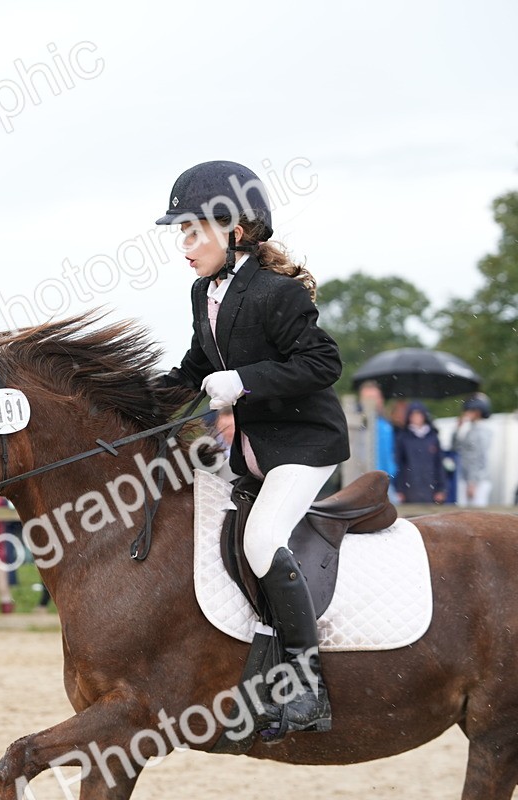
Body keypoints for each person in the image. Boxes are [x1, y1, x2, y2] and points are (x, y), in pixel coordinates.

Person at [155, 161, 348, 739]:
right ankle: (263, 677)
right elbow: (193, 371)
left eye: (194, 232)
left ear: (235, 231)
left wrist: (242, 381)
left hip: (303, 447)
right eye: (181, 234)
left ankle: (308, 689)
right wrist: (124, 404)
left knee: (263, 538)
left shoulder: (276, 293)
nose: (184, 246)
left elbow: (323, 363)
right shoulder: (203, 293)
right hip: (253, 453)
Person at [395, 402, 447, 504]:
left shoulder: (432, 438)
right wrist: (399, 489)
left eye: (419, 415)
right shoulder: (403, 438)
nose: (416, 418)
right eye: (413, 415)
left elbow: (439, 465)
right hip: (410, 486)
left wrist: (441, 489)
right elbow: (399, 465)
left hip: (430, 486)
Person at [453, 395, 492, 508]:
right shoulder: (470, 428)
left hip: (477, 481)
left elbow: (477, 457)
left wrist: (472, 482)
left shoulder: (482, 431)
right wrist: (458, 428)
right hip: (466, 478)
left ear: (477, 412)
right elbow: (455, 447)